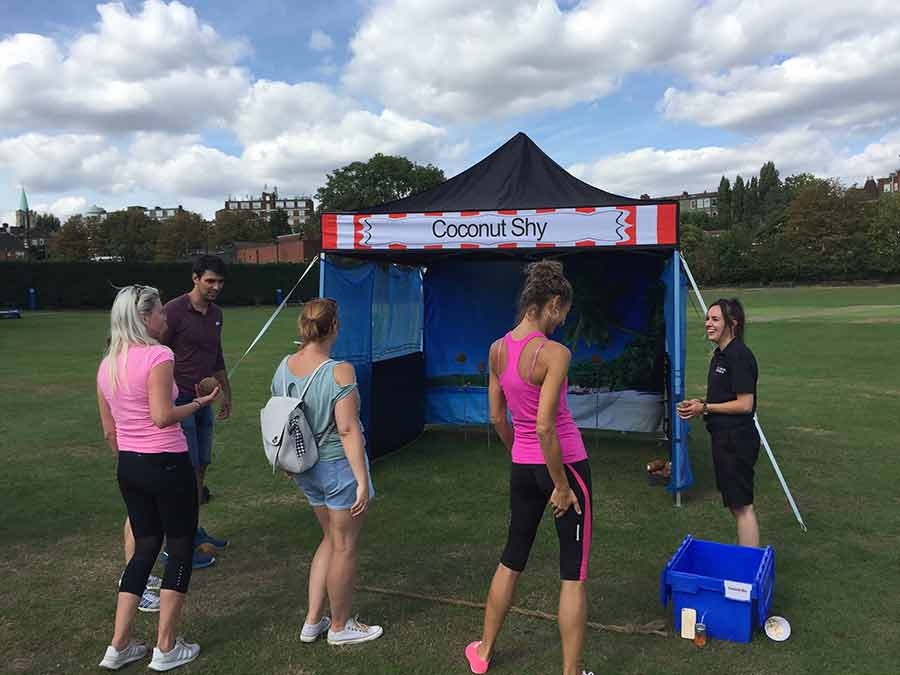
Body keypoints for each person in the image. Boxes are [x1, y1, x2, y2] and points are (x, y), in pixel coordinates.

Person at [466, 261, 593, 675]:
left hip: (523, 465)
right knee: (572, 574)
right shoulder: (555, 353)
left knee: (512, 557)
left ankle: (483, 652)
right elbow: (545, 426)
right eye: (563, 314)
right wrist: (559, 484)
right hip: (565, 469)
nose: (561, 323)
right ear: (553, 303)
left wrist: (519, 456)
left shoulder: (497, 349)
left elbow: (497, 418)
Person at [96, 285, 219, 671]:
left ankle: (119, 646)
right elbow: (163, 416)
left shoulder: (107, 363)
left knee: (145, 548)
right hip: (166, 462)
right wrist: (196, 404)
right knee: (179, 550)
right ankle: (166, 647)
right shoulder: (158, 355)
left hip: (130, 466)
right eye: (160, 314)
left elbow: (109, 430)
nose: (166, 320)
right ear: (144, 317)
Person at [271, 298, 382, 646]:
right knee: (345, 546)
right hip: (337, 468)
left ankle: (312, 621)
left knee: (330, 540)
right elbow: (348, 430)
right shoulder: (339, 370)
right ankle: (339, 626)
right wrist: (363, 480)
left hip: (305, 468)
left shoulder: (284, 366)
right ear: (333, 326)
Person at [162, 255, 231, 562]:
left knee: (202, 465)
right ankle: (178, 542)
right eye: (210, 281)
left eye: (220, 282)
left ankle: (194, 528)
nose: (216, 287)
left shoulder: (216, 313)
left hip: (206, 401)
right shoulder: (173, 311)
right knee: (185, 470)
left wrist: (226, 393)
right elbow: (156, 354)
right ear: (195, 278)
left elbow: (216, 357)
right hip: (179, 401)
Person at [678, 298, 761, 547]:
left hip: (737, 440)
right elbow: (723, 398)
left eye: (715, 319)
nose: (708, 324)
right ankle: (746, 560)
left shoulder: (740, 356)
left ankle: (749, 570)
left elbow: (746, 404)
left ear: (732, 324)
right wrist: (700, 403)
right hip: (723, 439)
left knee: (742, 507)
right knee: (736, 506)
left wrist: (704, 407)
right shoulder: (719, 356)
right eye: (707, 318)